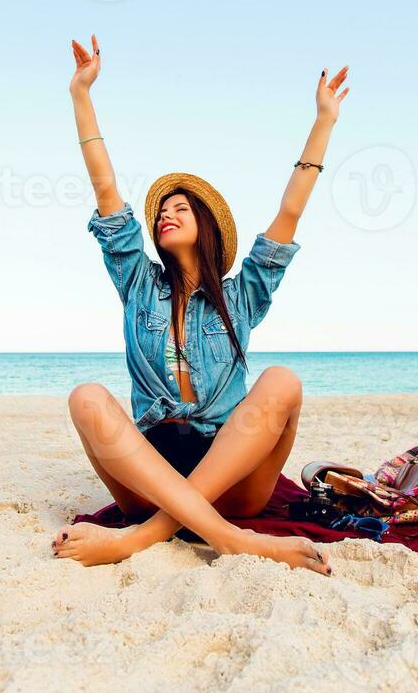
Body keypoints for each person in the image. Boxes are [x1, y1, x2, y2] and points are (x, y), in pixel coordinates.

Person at [52, 35, 350, 573]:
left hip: (228, 477)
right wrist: (81, 93)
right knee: (86, 397)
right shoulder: (139, 285)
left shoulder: (243, 295)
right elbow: (105, 189)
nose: (165, 213)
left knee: (283, 381)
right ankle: (230, 540)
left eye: (180, 206)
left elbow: (290, 213)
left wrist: (324, 119)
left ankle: (141, 539)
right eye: (161, 209)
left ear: (206, 226)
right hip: (154, 474)